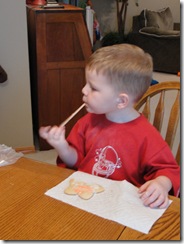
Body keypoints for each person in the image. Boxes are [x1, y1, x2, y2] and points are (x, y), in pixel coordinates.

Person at [39, 44, 180, 209]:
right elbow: (75, 161)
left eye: (93, 88)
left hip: (122, 208)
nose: (84, 90)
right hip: (85, 200)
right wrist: (61, 146)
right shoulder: (87, 122)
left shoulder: (147, 136)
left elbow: (168, 170)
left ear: (121, 101)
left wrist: (161, 184)